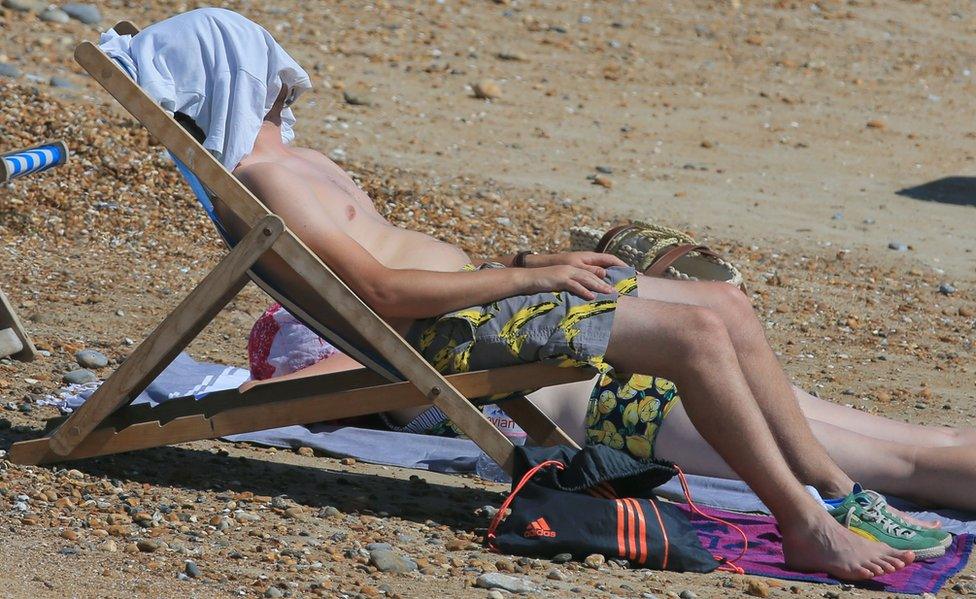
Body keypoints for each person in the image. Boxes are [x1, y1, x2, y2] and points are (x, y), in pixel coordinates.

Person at [221, 85, 947, 580]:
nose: (287, 73)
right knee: (897, 451)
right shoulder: (268, 191)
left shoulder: (298, 167)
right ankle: (806, 523)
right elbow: (373, 301)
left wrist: (526, 264)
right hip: (570, 386)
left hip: (520, 328)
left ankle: (836, 491)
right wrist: (524, 279)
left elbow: (394, 277)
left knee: (724, 306)